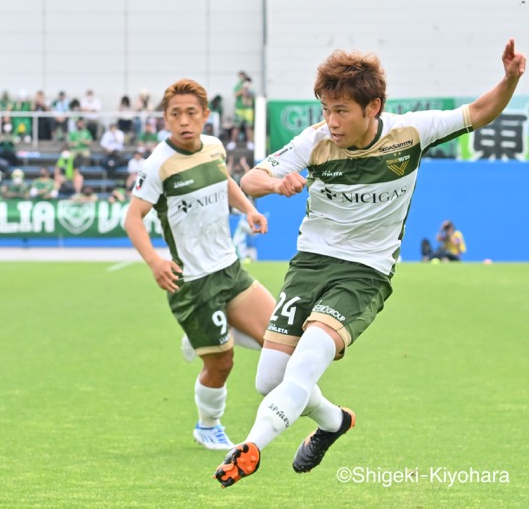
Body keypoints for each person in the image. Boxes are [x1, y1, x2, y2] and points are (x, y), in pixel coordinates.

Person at [213, 39, 526, 488]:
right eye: (325, 109)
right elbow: (250, 178)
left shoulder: (411, 132)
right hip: (310, 265)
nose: (331, 121)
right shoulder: (315, 141)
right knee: (270, 380)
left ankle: (252, 446)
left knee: (307, 361)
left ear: (373, 106)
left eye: (341, 110)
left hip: (364, 272)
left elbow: (478, 112)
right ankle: (334, 420)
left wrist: (511, 78)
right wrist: (277, 183)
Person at [124, 78, 276, 451]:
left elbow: (223, 179)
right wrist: (154, 261)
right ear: (165, 119)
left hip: (230, 269)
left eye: (192, 113)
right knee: (222, 365)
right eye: (175, 114)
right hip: (194, 284)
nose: (184, 121)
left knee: (279, 338)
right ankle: (208, 426)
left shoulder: (214, 148)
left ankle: (206, 335)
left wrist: (249, 208)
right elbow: (132, 219)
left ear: (206, 116)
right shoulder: (158, 166)